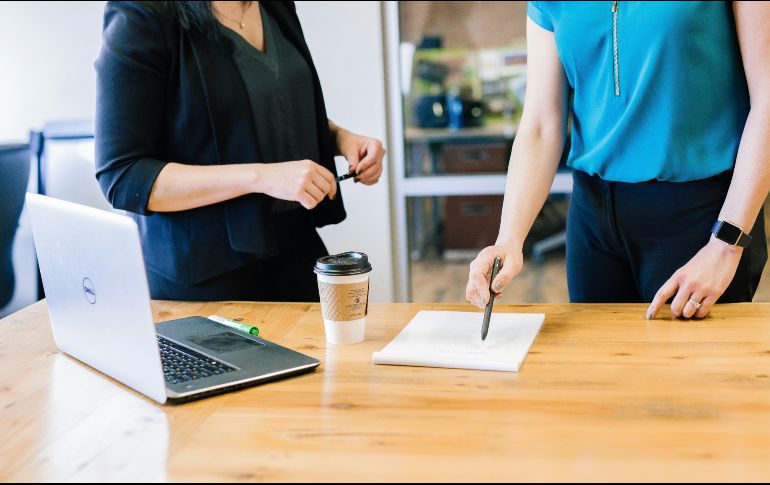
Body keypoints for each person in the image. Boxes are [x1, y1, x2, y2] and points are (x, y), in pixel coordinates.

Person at [467, 1, 770, 319]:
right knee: (601, 365)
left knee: (691, 367)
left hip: (701, 217)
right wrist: (508, 240)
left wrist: (726, 244)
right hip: (593, 219)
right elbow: (541, 124)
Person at [95, 1, 385, 302]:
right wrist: (260, 176)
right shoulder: (141, 14)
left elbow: (256, 107)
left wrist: (339, 138)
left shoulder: (275, 6)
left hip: (294, 249)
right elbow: (123, 175)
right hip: (205, 275)